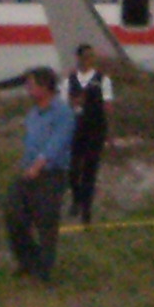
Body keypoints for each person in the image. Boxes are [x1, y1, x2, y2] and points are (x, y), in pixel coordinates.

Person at [7, 68, 74, 282]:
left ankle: (43, 269)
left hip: (51, 173)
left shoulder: (62, 113)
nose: (28, 89)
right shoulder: (33, 113)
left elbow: (57, 143)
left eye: (32, 85)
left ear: (45, 87)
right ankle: (27, 260)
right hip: (29, 172)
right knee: (14, 215)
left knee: (46, 221)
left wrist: (39, 165)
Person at [65, 45, 114, 226]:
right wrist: (74, 103)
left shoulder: (102, 80)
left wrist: (108, 129)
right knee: (73, 169)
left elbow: (108, 105)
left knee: (90, 170)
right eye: (85, 57)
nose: (88, 60)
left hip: (96, 128)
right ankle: (77, 198)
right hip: (75, 128)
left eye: (91, 57)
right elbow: (64, 105)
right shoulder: (69, 80)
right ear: (78, 58)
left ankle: (86, 209)